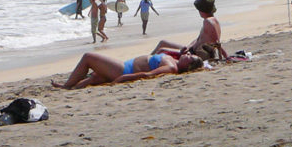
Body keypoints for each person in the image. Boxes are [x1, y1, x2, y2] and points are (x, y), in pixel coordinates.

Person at [51, 49, 203, 89]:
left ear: (188, 66)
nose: (189, 54)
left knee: (88, 57)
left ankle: (66, 86)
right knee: (92, 78)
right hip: (124, 66)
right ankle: (72, 86)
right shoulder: (175, 60)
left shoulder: (171, 67)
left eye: (191, 57)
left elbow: (147, 74)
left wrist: (122, 79)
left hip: (124, 70)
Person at [152, 0, 228, 61]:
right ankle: (147, 59)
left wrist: (225, 57)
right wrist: (189, 46)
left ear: (202, 10)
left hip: (195, 55)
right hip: (191, 50)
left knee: (162, 50)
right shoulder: (212, 20)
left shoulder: (208, 22)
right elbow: (199, 39)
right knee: (163, 42)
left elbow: (217, 42)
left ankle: (148, 60)